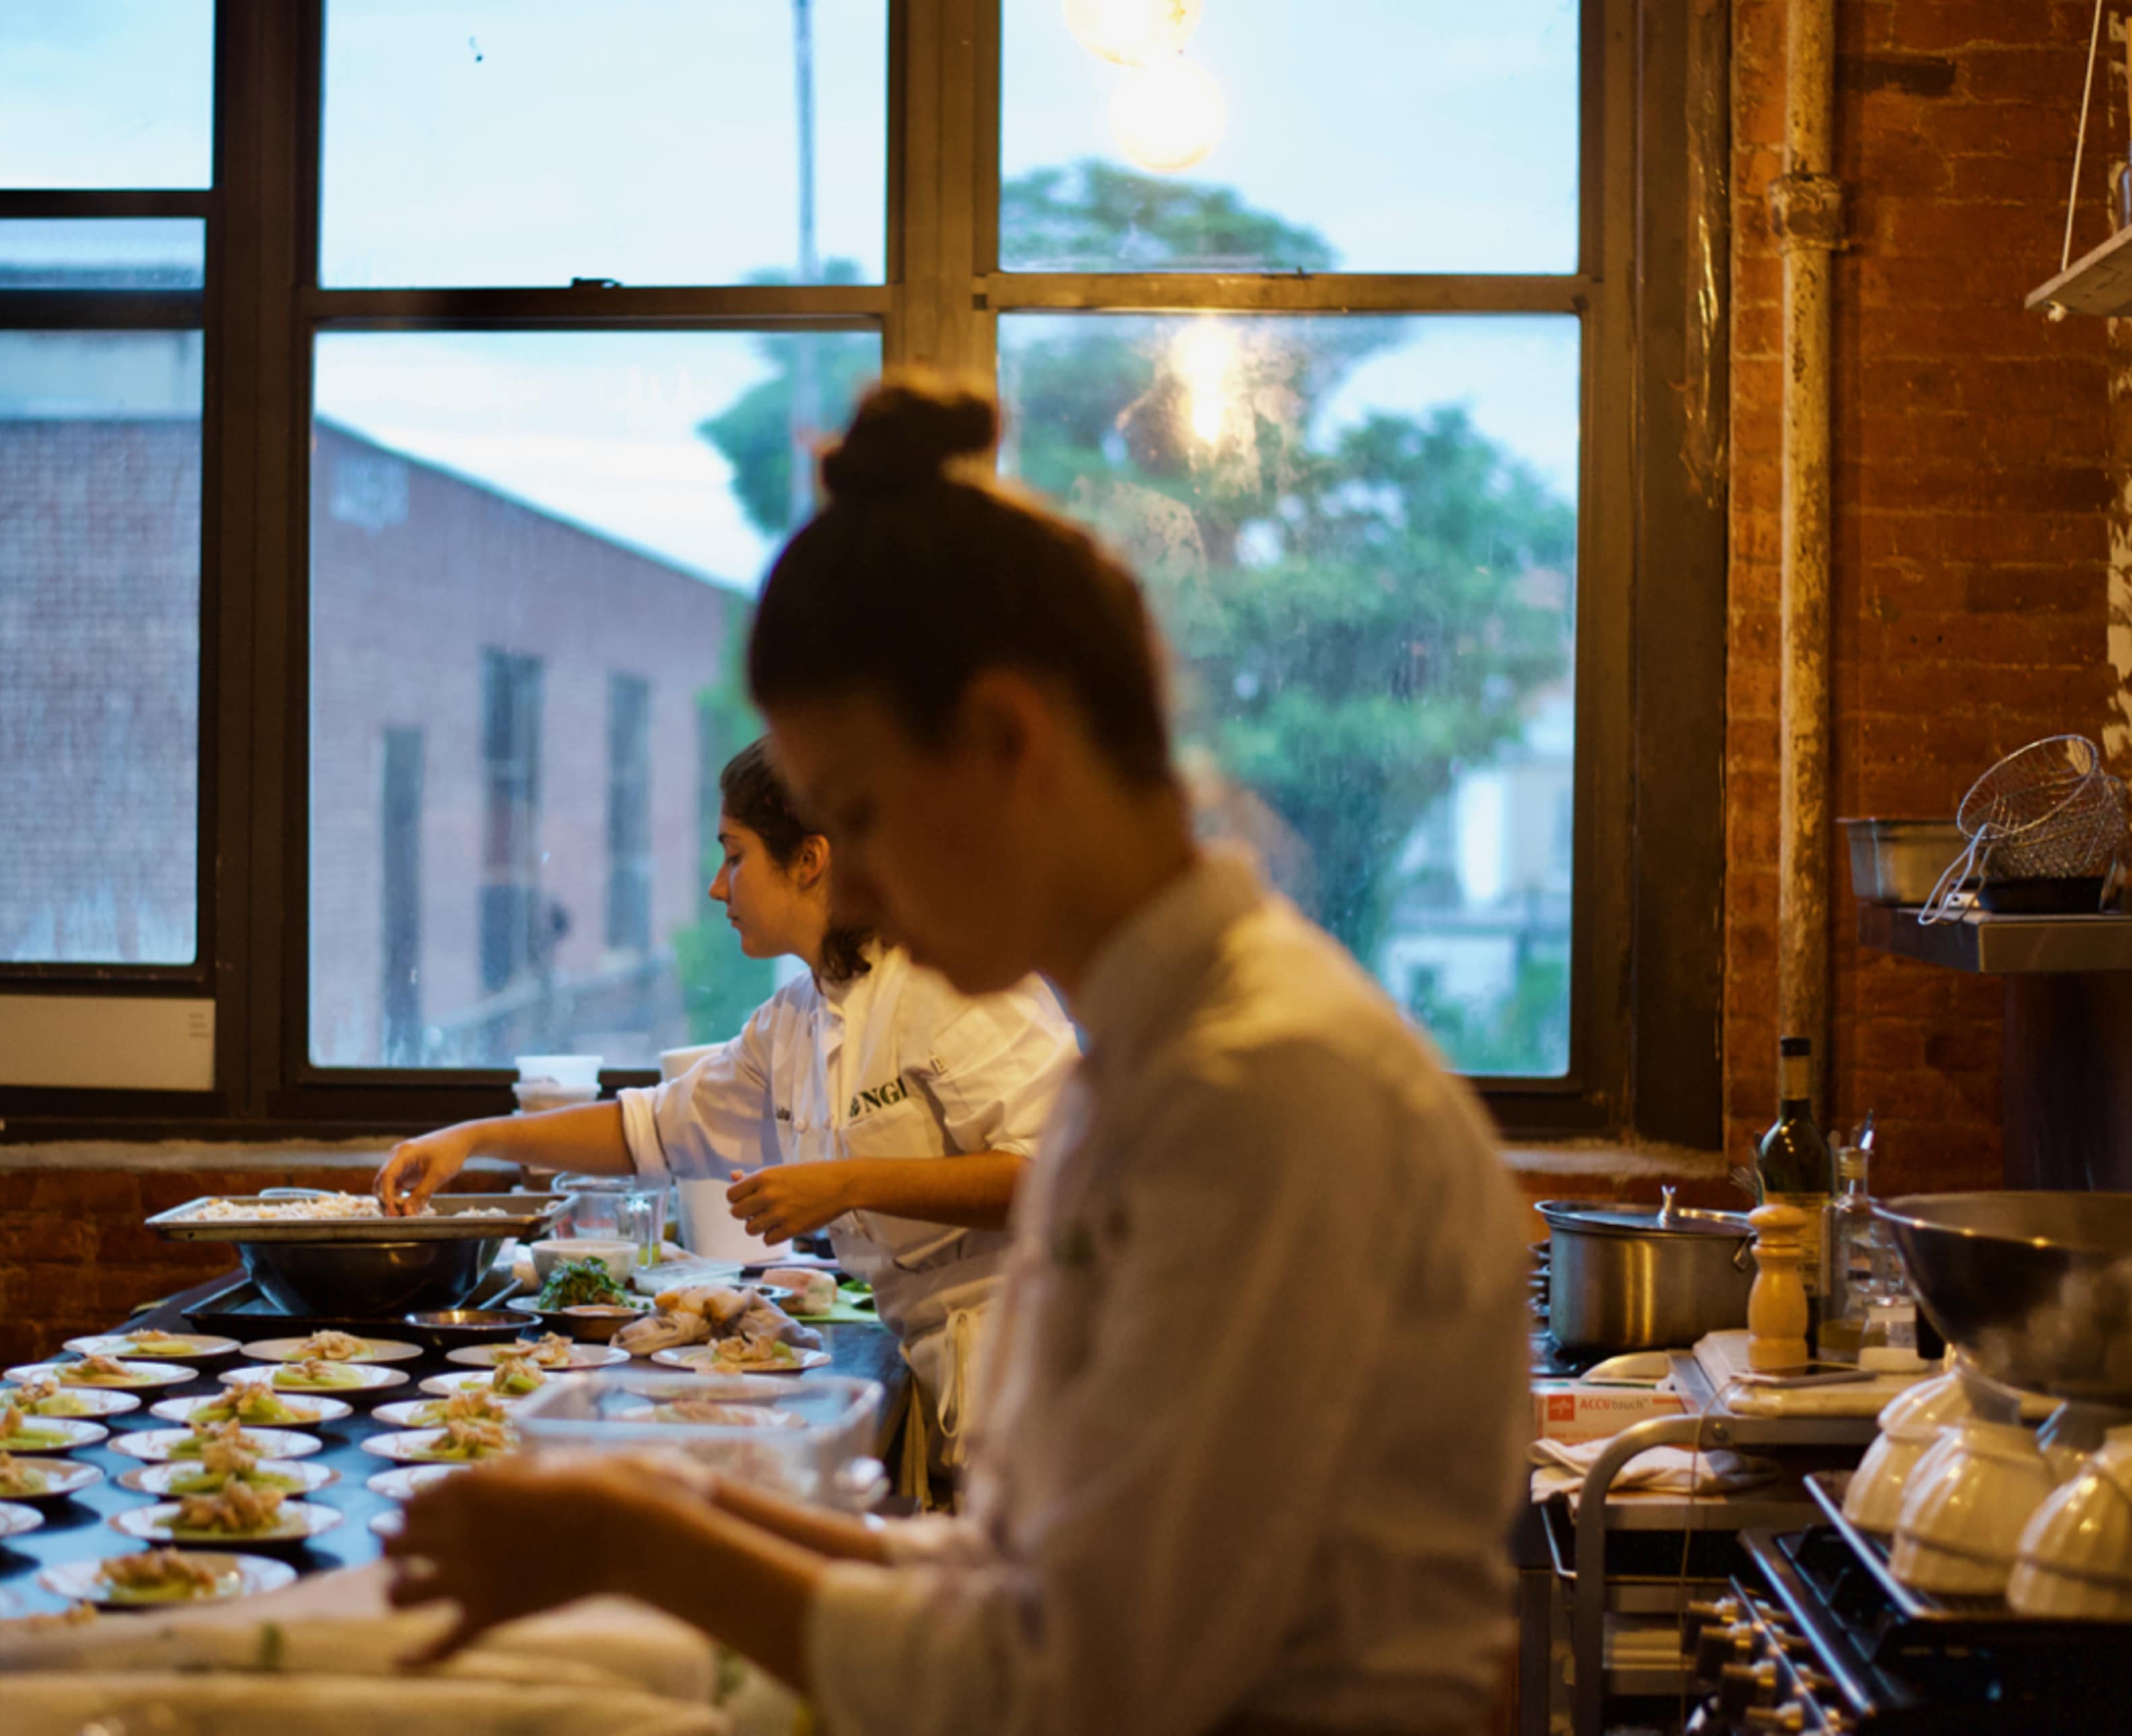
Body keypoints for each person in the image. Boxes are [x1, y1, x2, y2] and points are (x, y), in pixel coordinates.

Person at [385, 375, 1531, 1735]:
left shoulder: (1262, 1091)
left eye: (862, 813)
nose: (855, 886)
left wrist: (644, 1547)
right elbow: (1018, 1581)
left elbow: (1077, 1683)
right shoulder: (1140, 1065)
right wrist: (662, 1496)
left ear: (1005, 740)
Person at [375, 736, 1080, 1466]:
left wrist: (848, 1184)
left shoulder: (950, 978)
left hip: (1045, 1364)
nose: (718, 887)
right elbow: (652, 1129)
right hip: (945, 1368)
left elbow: (1064, 1173)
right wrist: (475, 1137)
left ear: (809, 859)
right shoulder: (794, 1020)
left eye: (735, 855)